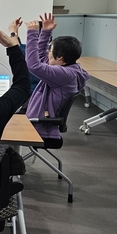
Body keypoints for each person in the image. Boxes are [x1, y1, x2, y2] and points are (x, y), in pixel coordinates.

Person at [25, 12, 89, 141]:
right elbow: (41, 58)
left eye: (50, 50)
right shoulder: (68, 70)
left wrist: (32, 34)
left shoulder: (64, 74)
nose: (48, 53)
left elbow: (34, 65)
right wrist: (45, 32)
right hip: (41, 123)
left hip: (41, 127)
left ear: (60, 57)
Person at [7, 17, 40, 94]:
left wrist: (13, 32)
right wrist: (15, 32)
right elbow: (18, 46)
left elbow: (16, 49)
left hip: (30, 93)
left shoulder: (37, 53)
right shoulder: (50, 52)